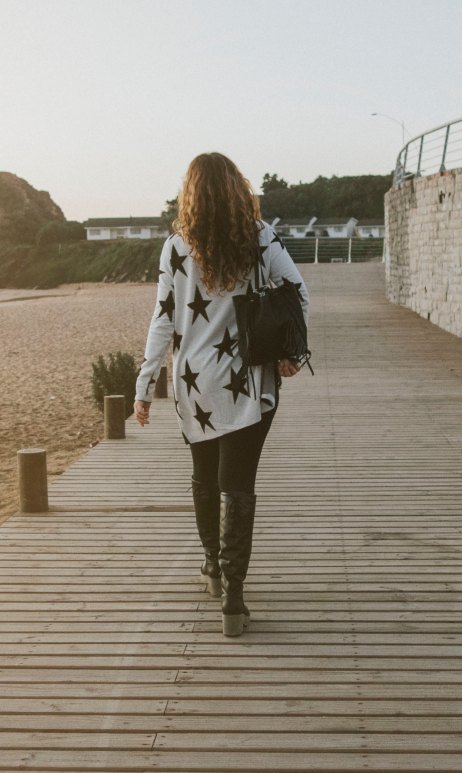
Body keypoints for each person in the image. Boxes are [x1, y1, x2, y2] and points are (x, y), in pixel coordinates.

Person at [133, 152, 310, 637]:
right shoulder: (261, 237)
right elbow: (298, 293)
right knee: (240, 484)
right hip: (249, 383)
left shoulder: (175, 247)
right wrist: (292, 352)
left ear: (189, 194)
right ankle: (234, 598)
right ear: (237, 189)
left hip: (195, 385)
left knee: (204, 477)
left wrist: (144, 386)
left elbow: (162, 320)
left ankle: (213, 565)